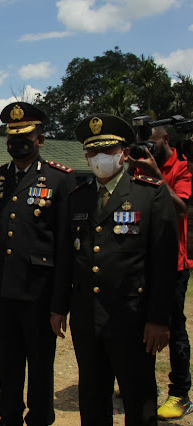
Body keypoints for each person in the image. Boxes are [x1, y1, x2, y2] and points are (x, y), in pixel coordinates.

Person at [52, 113, 178, 425]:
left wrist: (159, 320)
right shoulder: (78, 198)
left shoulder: (150, 193)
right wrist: (58, 308)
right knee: (93, 397)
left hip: (132, 319)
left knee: (139, 398)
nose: (99, 159)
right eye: (92, 153)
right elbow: (67, 258)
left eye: (107, 151)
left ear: (123, 153)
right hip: (86, 317)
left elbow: (164, 264)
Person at [0, 102, 75, 426]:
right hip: (3, 290)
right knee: (8, 362)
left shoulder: (60, 180)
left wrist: (60, 304)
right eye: (13, 136)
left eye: (26, 135)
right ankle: (10, 418)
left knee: (41, 363)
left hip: (40, 292)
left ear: (40, 139)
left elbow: (64, 248)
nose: (18, 141)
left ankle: (41, 418)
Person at [127, 125, 193, 419]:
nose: (147, 147)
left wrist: (155, 174)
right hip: (141, 261)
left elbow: (180, 209)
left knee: (173, 326)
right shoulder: (139, 165)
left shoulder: (183, 168)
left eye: (151, 142)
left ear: (166, 139)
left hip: (173, 263)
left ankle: (180, 393)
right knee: (138, 324)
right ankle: (141, 385)